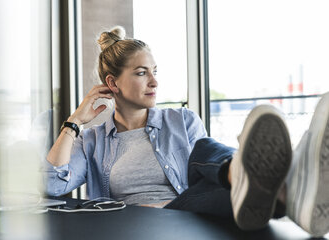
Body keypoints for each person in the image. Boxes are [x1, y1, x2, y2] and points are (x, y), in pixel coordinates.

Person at [45, 26, 329, 237]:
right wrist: (74, 122)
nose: (154, 81)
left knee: (206, 152)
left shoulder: (180, 120)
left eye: (155, 71)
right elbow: (52, 186)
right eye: (142, 73)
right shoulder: (93, 141)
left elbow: (202, 177)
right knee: (236, 194)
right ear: (113, 83)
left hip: (193, 207)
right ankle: (291, 187)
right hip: (139, 225)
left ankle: (261, 181)